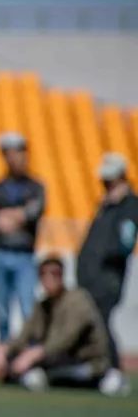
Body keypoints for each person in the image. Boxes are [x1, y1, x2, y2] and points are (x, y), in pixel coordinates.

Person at [0, 255, 122, 395]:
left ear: (62, 276)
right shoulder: (43, 305)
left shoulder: (78, 301)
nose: (49, 278)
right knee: (14, 366)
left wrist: (35, 354)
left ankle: (107, 378)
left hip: (85, 361)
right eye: (44, 274)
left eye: (54, 273)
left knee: (43, 374)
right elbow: (24, 335)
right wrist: (4, 350)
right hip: (58, 359)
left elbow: (65, 339)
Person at [77, 153, 137, 390]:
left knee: (101, 320)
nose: (105, 184)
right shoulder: (106, 204)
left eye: (110, 180)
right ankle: (97, 368)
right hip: (92, 276)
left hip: (108, 278)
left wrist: (106, 258)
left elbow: (125, 243)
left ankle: (114, 370)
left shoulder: (130, 205)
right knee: (92, 322)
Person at [0, 132, 45, 343]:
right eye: (10, 153)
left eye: (18, 152)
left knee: (28, 309)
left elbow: (34, 211)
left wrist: (10, 216)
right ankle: (4, 356)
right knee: (2, 312)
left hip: (24, 256)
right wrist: (17, 216)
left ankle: (29, 358)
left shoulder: (35, 187)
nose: (15, 158)